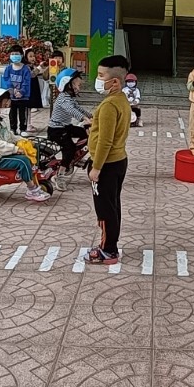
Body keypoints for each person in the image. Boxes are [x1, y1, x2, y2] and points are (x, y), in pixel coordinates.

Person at [86, 55, 132, 265]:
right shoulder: (121, 100)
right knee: (113, 205)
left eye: (101, 75)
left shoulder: (108, 106)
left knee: (105, 209)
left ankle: (108, 250)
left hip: (106, 164)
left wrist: (96, 168)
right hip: (119, 160)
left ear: (115, 81)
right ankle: (110, 244)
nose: (97, 79)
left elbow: (105, 141)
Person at [0, 88, 51, 202]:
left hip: (5, 154)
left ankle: (32, 172)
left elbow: (10, 136)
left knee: (33, 150)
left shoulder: (1, 121)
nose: (7, 108)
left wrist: (25, 140)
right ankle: (32, 190)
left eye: (8, 105)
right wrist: (15, 149)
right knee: (23, 161)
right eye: (4, 105)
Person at [48, 68, 92, 187]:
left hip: (65, 127)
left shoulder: (70, 97)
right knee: (69, 148)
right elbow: (72, 110)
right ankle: (59, 176)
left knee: (85, 133)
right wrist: (84, 119)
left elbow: (78, 108)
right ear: (68, 85)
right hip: (56, 130)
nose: (79, 87)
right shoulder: (63, 98)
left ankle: (74, 158)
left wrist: (92, 116)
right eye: (78, 85)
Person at [0, 44, 32, 135]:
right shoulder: (8, 68)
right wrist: (12, 90)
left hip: (23, 97)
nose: (14, 56)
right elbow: (6, 79)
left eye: (16, 54)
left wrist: (21, 92)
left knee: (23, 114)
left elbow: (26, 82)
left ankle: (23, 129)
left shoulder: (25, 69)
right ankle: (13, 129)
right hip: (12, 96)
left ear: (21, 55)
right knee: (12, 114)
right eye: (12, 54)